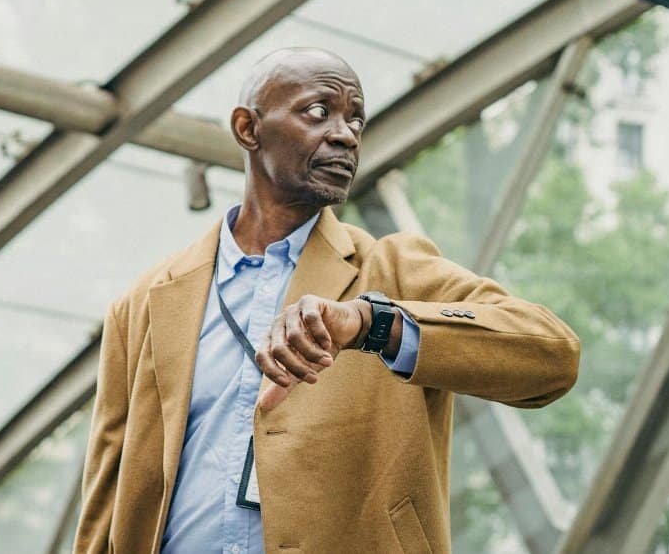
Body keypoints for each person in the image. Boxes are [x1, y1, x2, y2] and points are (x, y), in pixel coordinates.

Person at [72, 47, 580, 554]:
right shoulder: (144, 304)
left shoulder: (392, 270)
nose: (345, 134)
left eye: (355, 119)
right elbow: (107, 495)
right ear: (248, 128)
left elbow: (552, 355)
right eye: (318, 112)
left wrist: (372, 325)